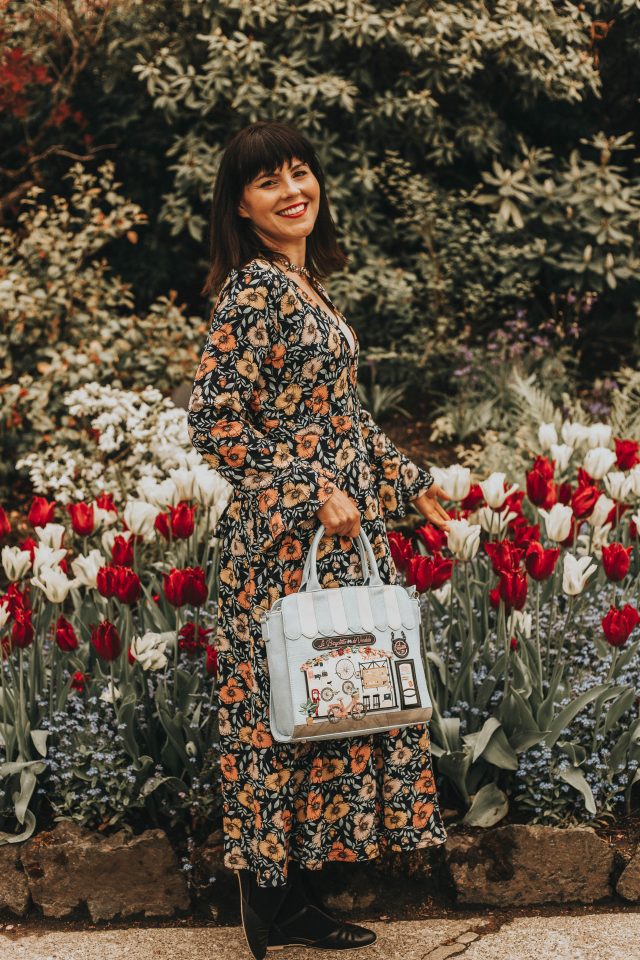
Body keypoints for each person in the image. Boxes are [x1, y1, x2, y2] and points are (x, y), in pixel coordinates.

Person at [187, 120, 451, 960]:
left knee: (319, 709)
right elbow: (213, 421)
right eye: (269, 181)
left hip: (333, 534)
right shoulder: (254, 292)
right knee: (281, 715)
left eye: (301, 172)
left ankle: (290, 900)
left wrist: (415, 486)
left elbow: (344, 421)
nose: (292, 189)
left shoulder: (307, 288)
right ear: (241, 205)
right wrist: (309, 491)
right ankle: (269, 901)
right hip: (280, 543)